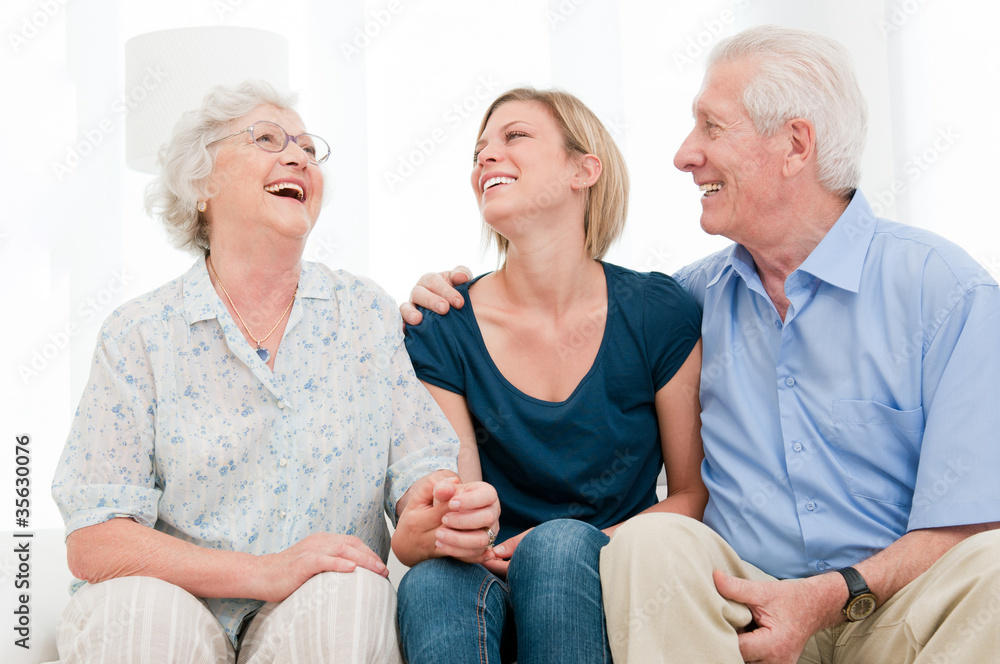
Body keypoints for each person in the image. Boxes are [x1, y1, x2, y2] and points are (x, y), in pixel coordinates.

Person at [403, 26, 1000, 664]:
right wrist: (434, 294)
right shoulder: (693, 299)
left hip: (892, 605)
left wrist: (832, 594)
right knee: (649, 545)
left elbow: (971, 519)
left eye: (712, 128)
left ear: (795, 145)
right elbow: (578, 298)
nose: (685, 155)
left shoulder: (946, 293)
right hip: (736, 606)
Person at [51, 79, 499, 664]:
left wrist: (438, 513)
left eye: (309, 149)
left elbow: (420, 477)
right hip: (173, 607)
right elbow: (95, 539)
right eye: (267, 139)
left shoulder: (363, 313)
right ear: (202, 184)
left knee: (351, 596)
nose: (298, 157)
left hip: (316, 611)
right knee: (132, 613)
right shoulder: (138, 333)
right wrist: (263, 572)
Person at [395, 87, 707, 664]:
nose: (486, 157)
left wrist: (569, 543)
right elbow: (460, 497)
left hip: (609, 571)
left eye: (514, 136)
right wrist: (452, 527)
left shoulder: (657, 312)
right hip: (488, 577)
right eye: (478, 150)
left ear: (583, 170)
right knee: (432, 583)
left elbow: (691, 494)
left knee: (559, 545)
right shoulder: (442, 324)